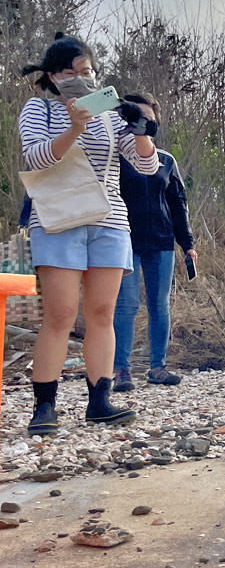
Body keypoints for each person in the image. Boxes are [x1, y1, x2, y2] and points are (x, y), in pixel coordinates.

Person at [19, 33, 160, 436]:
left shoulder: (109, 113)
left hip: (109, 218)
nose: (86, 79)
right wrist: (73, 128)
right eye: (77, 72)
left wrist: (140, 129)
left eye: (91, 72)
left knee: (102, 312)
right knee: (61, 314)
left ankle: (100, 398)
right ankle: (44, 404)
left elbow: (146, 167)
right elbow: (36, 157)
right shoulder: (38, 109)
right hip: (58, 217)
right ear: (54, 75)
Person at [111, 93, 197, 391]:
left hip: (161, 241)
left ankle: (157, 367)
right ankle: (120, 370)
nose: (145, 124)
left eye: (151, 120)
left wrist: (188, 244)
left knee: (160, 305)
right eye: (140, 118)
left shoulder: (166, 160)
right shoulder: (113, 156)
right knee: (126, 305)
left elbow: (178, 204)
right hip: (124, 239)